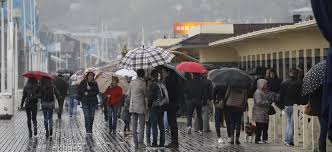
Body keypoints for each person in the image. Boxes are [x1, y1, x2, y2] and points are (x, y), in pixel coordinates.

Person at [279, 68, 302, 146]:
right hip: (295, 105)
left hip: (286, 105)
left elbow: (281, 96)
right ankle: (289, 141)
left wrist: (281, 106)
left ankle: (287, 140)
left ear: (289, 73)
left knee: (289, 123)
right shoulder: (299, 83)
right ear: (297, 74)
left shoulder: (284, 83)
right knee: (291, 124)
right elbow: (300, 96)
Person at [162, 68, 182, 148]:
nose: (162, 73)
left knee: (172, 123)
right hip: (174, 104)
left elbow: (167, 94)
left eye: (163, 72)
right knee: (173, 123)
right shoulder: (175, 80)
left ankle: (174, 142)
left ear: (168, 72)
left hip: (171, 105)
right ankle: (174, 141)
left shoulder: (168, 81)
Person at [147, 69, 167, 147]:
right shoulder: (161, 84)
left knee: (154, 126)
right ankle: (162, 142)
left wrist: (149, 105)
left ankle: (154, 142)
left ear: (152, 76)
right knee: (161, 125)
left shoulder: (153, 85)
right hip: (161, 107)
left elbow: (151, 97)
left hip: (154, 108)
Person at [128, 69, 146, 149]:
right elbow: (146, 94)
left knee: (134, 125)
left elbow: (129, 94)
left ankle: (135, 142)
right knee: (141, 125)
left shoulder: (132, 82)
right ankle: (141, 142)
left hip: (132, 106)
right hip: (140, 106)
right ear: (143, 75)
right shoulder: (142, 83)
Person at [253, 79, 272, 144]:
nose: (266, 85)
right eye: (265, 84)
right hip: (259, 112)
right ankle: (257, 139)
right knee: (259, 127)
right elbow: (259, 102)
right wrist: (267, 102)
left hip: (264, 112)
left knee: (265, 126)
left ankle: (265, 139)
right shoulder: (258, 92)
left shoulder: (264, 91)